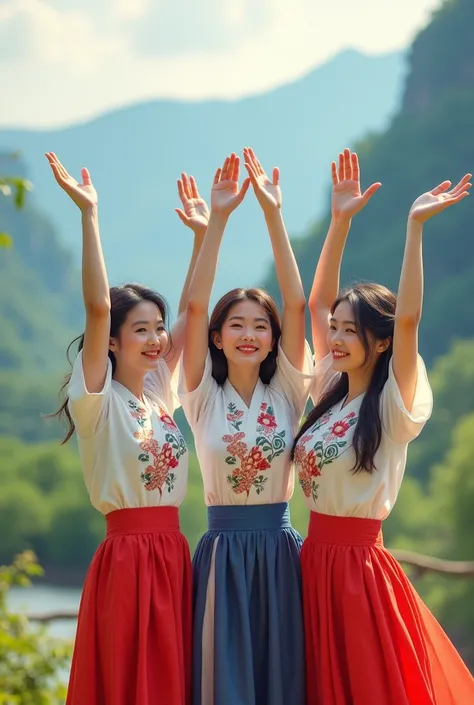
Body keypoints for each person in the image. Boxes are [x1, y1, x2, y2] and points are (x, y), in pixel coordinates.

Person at [292, 148, 474, 704]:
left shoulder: (393, 404)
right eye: (337, 329)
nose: (339, 338)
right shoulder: (330, 391)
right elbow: (318, 299)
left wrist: (414, 229)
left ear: (380, 340)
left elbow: (410, 318)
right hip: (309, 564)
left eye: (353, 330)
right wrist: (340, 221)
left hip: (358, 572)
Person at [46, 153, 204, 705]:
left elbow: (192, 309)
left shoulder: (160, 393)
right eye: (141, 330)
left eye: (158, 330)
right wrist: (90, 217)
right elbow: (96, 308)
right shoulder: (97, 400)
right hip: (128, 560)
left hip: (173, 554)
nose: (157, 339)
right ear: (112, 341)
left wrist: (203, 238)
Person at [177, 149, 314, 705]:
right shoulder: (201, 397)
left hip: (281, 554)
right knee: (223, 685)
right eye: (236, 324)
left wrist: (273, 216)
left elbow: (299, 304)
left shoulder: (286, 390)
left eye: (261, 325)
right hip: (222, 554)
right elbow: (191, 306)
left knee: (283, 683)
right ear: (217, 337)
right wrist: (219, 223)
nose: (250, 334)